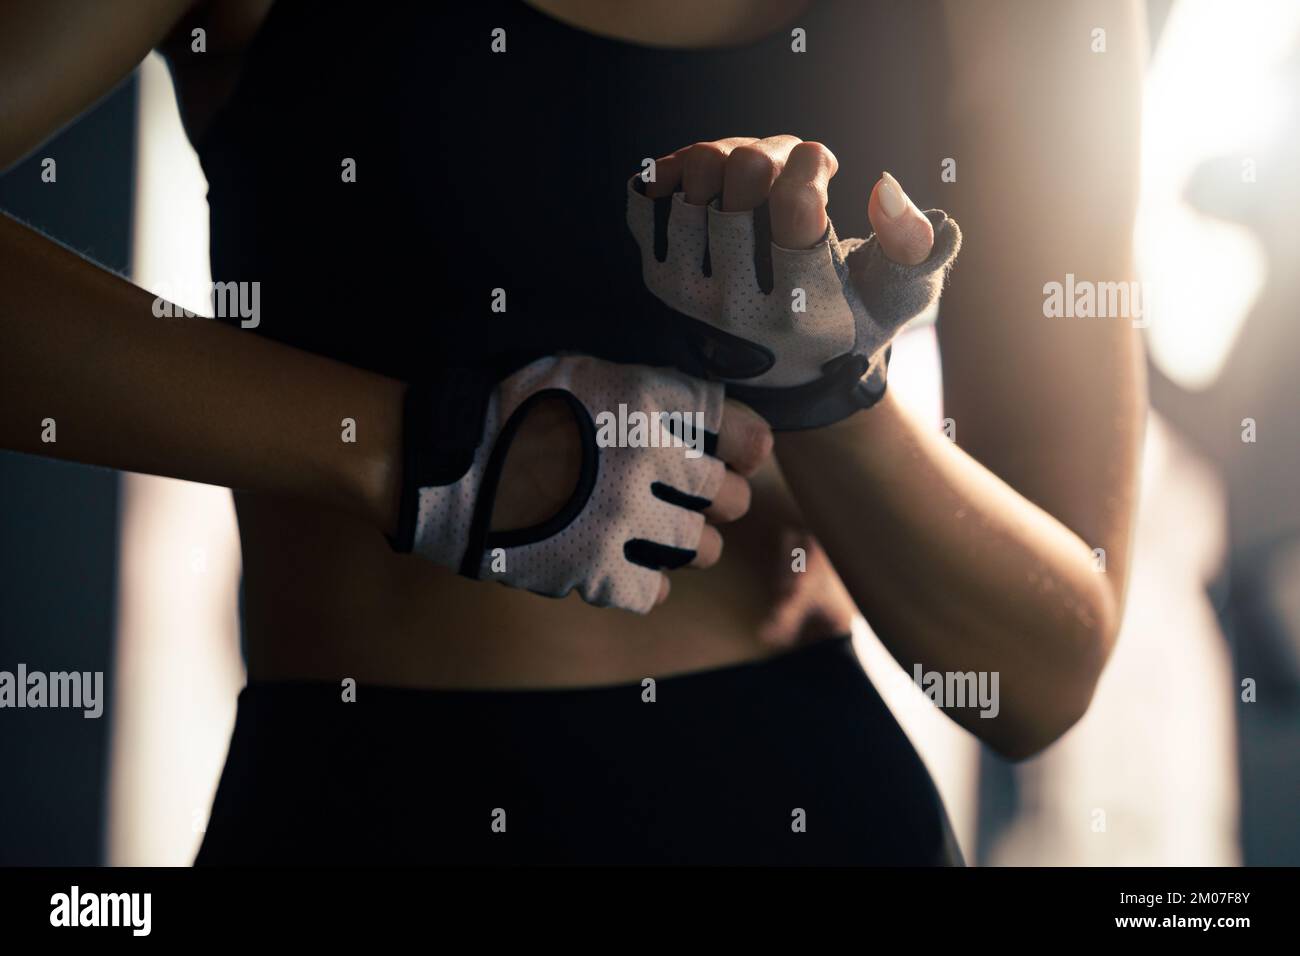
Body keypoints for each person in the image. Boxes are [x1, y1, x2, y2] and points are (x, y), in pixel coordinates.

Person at [0, 0, 1146, 864]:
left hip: (816, 812)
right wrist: (421, 451)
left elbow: (1039, 679)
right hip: (366, 815)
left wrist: (823, 391)